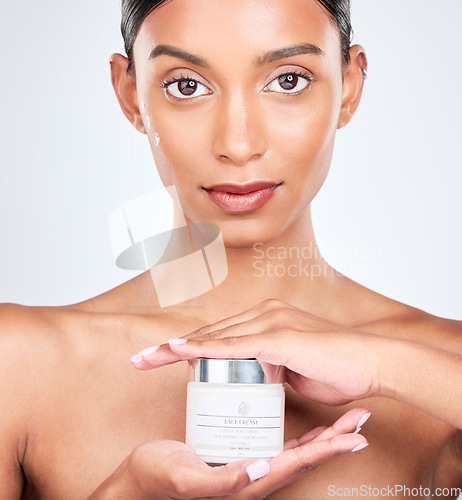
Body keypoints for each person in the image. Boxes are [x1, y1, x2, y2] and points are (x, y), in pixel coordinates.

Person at [0, 0, 461, 498]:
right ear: (131, 95)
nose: (238, 145)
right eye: (186, 85)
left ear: (349, 88)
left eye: (288, 80)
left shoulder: (440, 370)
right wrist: (124, 492)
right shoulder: (19, 364)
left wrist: (387, 368)